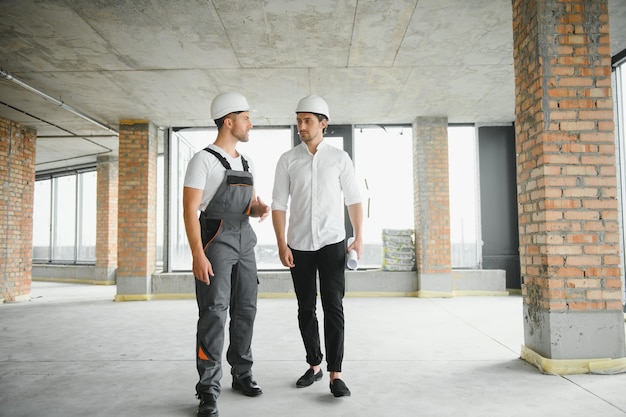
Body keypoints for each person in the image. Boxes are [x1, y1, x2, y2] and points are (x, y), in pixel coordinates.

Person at [183, 92, 270, 417]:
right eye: (246, 117)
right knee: (214, 314)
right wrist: (197, 254)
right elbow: (190, 211)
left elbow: (244, 205)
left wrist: (257, 207)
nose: (250, 124)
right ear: (229, 121)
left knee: (246, 308)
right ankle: (208, 389)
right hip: (216, 241)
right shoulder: (203, 160)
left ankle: (242, 374)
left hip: (245, 240)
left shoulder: (245, 162)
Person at [271, 95, 363, 398]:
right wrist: (281, 243)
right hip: (298, 245)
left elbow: (353, 199)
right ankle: (314, 365)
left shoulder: (339, 158)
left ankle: (336, 373)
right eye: (298, 120)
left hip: (333, 243)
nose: (301, 125)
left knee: (333, 307)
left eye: (307, 120)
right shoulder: (288, 160)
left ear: (323, 123)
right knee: (305, 308)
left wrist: (358, 237)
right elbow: (278, 204)